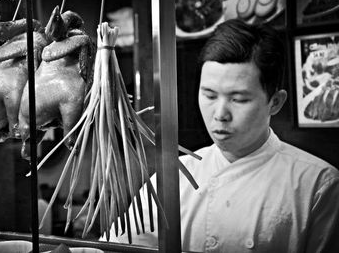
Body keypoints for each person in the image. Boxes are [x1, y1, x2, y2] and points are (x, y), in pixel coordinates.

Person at [101, 19, 339, 252]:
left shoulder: (318, 185)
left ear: (275, 102)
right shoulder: (175, 176)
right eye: (210, 95)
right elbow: (116, 247)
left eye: (238, 99)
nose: (220, 114)